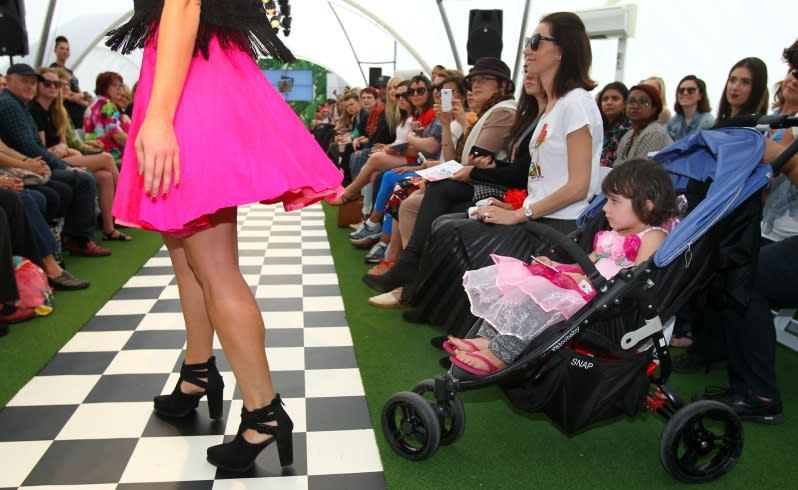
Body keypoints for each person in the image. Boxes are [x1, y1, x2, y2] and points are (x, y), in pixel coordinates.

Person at [106, 0, 342, 472]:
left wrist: (158, 116)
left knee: (213, 265)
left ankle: (263, 412)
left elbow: (184, 3)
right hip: (196, 72)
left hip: (187, 82)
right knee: (186, 251)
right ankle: (197, 373)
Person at [368, 12, 604, 338]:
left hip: (560, 228)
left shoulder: (576, 102)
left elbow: (579, 187)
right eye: (527, 43)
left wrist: (521, 212)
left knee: (456, 232)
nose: (528, 50)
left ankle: (444, 314)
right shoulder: (555, 105)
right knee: (449, 225)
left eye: (537, 42)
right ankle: (456, 324)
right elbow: (543, 176)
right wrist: (512, 207)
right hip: (538, 216)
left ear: (562, 50)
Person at [447, 158, 675, 376]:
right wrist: (557, 266)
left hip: (603, 301)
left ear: (647, 206)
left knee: (537, 302)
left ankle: (500, 354)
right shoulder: (613, 234)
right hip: (583, 287)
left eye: (614, 201)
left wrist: (586, 283)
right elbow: (584, 265)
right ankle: (487, 339)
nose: (605, 209)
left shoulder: (652, 236)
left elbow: (634, 280)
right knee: (522, 285)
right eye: (606, 200)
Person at [0, 63, 110, 257]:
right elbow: (29, 147)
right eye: (25, 81)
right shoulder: (10, 104)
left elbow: (28, 147)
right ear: (8, 81)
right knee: (81, 179)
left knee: (89, 177)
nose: (30, 86)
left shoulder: (22, 105)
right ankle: (79, 239)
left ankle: (78, 237)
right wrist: (59, 165)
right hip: (23, 169)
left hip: (30, 165)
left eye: (33, 82)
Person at [29, 67, 130, 241]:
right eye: (48, 83)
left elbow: (64, 142)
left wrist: (70, 148)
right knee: (108, 160)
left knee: (105, 176)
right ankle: (125, 207)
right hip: (81, 156)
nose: (54, 87)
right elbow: (116, 134)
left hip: (74, 154)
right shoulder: (36, 110)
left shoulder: (57, 111)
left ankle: (109, 228)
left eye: (58, 84)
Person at [614, 84, 673, 166]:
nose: (635, 106)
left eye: (643, 102)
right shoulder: (628, 135)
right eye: (631, 101)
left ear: (654, 108)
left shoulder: (655, 133)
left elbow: (640, 171)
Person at [83, 71, 131, 165]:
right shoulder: (107, 105)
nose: (119, 89)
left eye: (120, 86)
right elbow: (118, 136)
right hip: (109, 154)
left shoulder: (95, 102)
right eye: (114, 85)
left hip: (93, 153)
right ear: (104, 86)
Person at [49, 35, 91, 129]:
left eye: (67, 49)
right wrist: (80, 99)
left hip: (79, 110)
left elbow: (79, 91)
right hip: (68, 110)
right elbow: (67, 94)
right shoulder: (54, 69)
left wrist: (82, 97)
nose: (65, 51)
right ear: (55, 50)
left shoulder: (70, 72)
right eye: (62, 48)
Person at [715, 57, 769, 124]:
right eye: (732, 80)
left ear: (757, 89)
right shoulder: (720, 124)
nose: (735, 87)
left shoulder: (752, 129)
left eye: (745, 82)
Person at [666, 75, 715, 141]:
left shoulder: (709, 122)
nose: (685, 93)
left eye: (691, 90)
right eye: (681, 90)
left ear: (700, 95)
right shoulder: (672, 122)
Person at [596, 81, 631, 167]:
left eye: (615, 99)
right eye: (605, 99)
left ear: (625, 103)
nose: (609, 102)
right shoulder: (598, 127)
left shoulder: (629, 128)